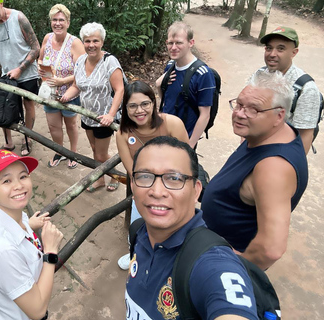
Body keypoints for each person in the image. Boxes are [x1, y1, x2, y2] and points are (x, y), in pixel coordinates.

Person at [126, 136, 258, 320]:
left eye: (174, 178)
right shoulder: (138, 231)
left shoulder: (211, 264)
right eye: (145, 176)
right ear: (133, 185)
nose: (156, 191)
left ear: (196, 190)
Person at [201, 71, 308, 270]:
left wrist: (234, 268)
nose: (240, 114)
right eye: (239, 104)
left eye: (254, 110)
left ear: (279, 115)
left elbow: (271, 249)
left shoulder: (273, 168)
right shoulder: (272, 132)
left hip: (220, 263)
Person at [0, 150, 64, 320]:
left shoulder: (7, 212)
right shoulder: (4, 252)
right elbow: (38, 311)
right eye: (6, 180)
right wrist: (51, 252)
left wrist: (27, 226)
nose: (18, 185)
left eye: (23, 176)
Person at [115, 80, 189, 270]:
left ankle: (169, 261)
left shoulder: (172, 124)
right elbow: (132, 170)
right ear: (125, 108)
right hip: (144, 187)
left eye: (145, 104)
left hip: (174, 186)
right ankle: (137, 254)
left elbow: (188, 160)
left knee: (174, 227)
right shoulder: (123, 133)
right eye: (132, 106)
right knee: (139, 226)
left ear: (153, 103)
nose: (139, 110)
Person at [60, 22, 124, 192]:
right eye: (87, 41)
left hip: (104, 117)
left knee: (101, 154)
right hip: (87, 114)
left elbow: (120, 90)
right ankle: (100, 179)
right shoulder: (81, 61)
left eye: (95, 41)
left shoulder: (110, 62)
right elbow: (76, 85)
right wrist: (66, 96)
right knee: (95, 149)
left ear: (102, 41)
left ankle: (116, 176)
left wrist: (110, 115)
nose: (91, 45)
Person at [0, 0, 40, 156]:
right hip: (6, 73)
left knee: (28, 104)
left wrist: (20, 69)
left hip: (27, 72)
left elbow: (36, 47)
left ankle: (27, 138)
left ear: (1, 3)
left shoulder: (19, 18)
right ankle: (8, 142)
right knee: (3, 106)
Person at [250, 26, 321, 154]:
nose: (272, 54)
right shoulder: (259, 75)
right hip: (254, 146)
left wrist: (293, 167)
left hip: (281, 153)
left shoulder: (306, 89)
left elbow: (305, 135)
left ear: (294, 52)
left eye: (281, 49)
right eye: (269, 48)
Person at [38, 4, 85, 168]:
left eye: (61, 20)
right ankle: (60, 151)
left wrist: (62, 81)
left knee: (70, 124)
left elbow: (83, 72)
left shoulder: (75, 43)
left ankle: (72, 153)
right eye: (54, 20)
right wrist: (40, 68)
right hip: (49, 92)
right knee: (53, 125)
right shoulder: (47, 38)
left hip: (69, 92)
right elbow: (40, 59)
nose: (57, 23)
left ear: (68, 22)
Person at [156, 22, 216, 149]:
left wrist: (190, 145)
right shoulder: (170, 66)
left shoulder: (203, 74)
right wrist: (159, 84)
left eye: (179, 43)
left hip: (184, 138)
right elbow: (166, 100)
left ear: (191, 43)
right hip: (165, 132)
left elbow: (205, 115)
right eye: (170, 43)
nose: (173, 47)